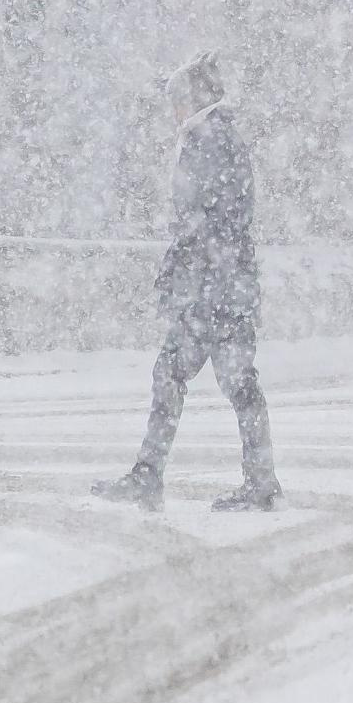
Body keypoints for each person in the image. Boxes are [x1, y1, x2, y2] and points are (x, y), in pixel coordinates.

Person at [95, 52, 281, 511]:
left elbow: (202, 221)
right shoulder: (220, 138)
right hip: (225, 286)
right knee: (232, 384)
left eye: (176, 101)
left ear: (193, 99)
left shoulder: (207, 140)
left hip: (210, 291)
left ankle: (152, 476)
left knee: (181, 378)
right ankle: (257, 481)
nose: (172, 111)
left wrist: (183, 274)